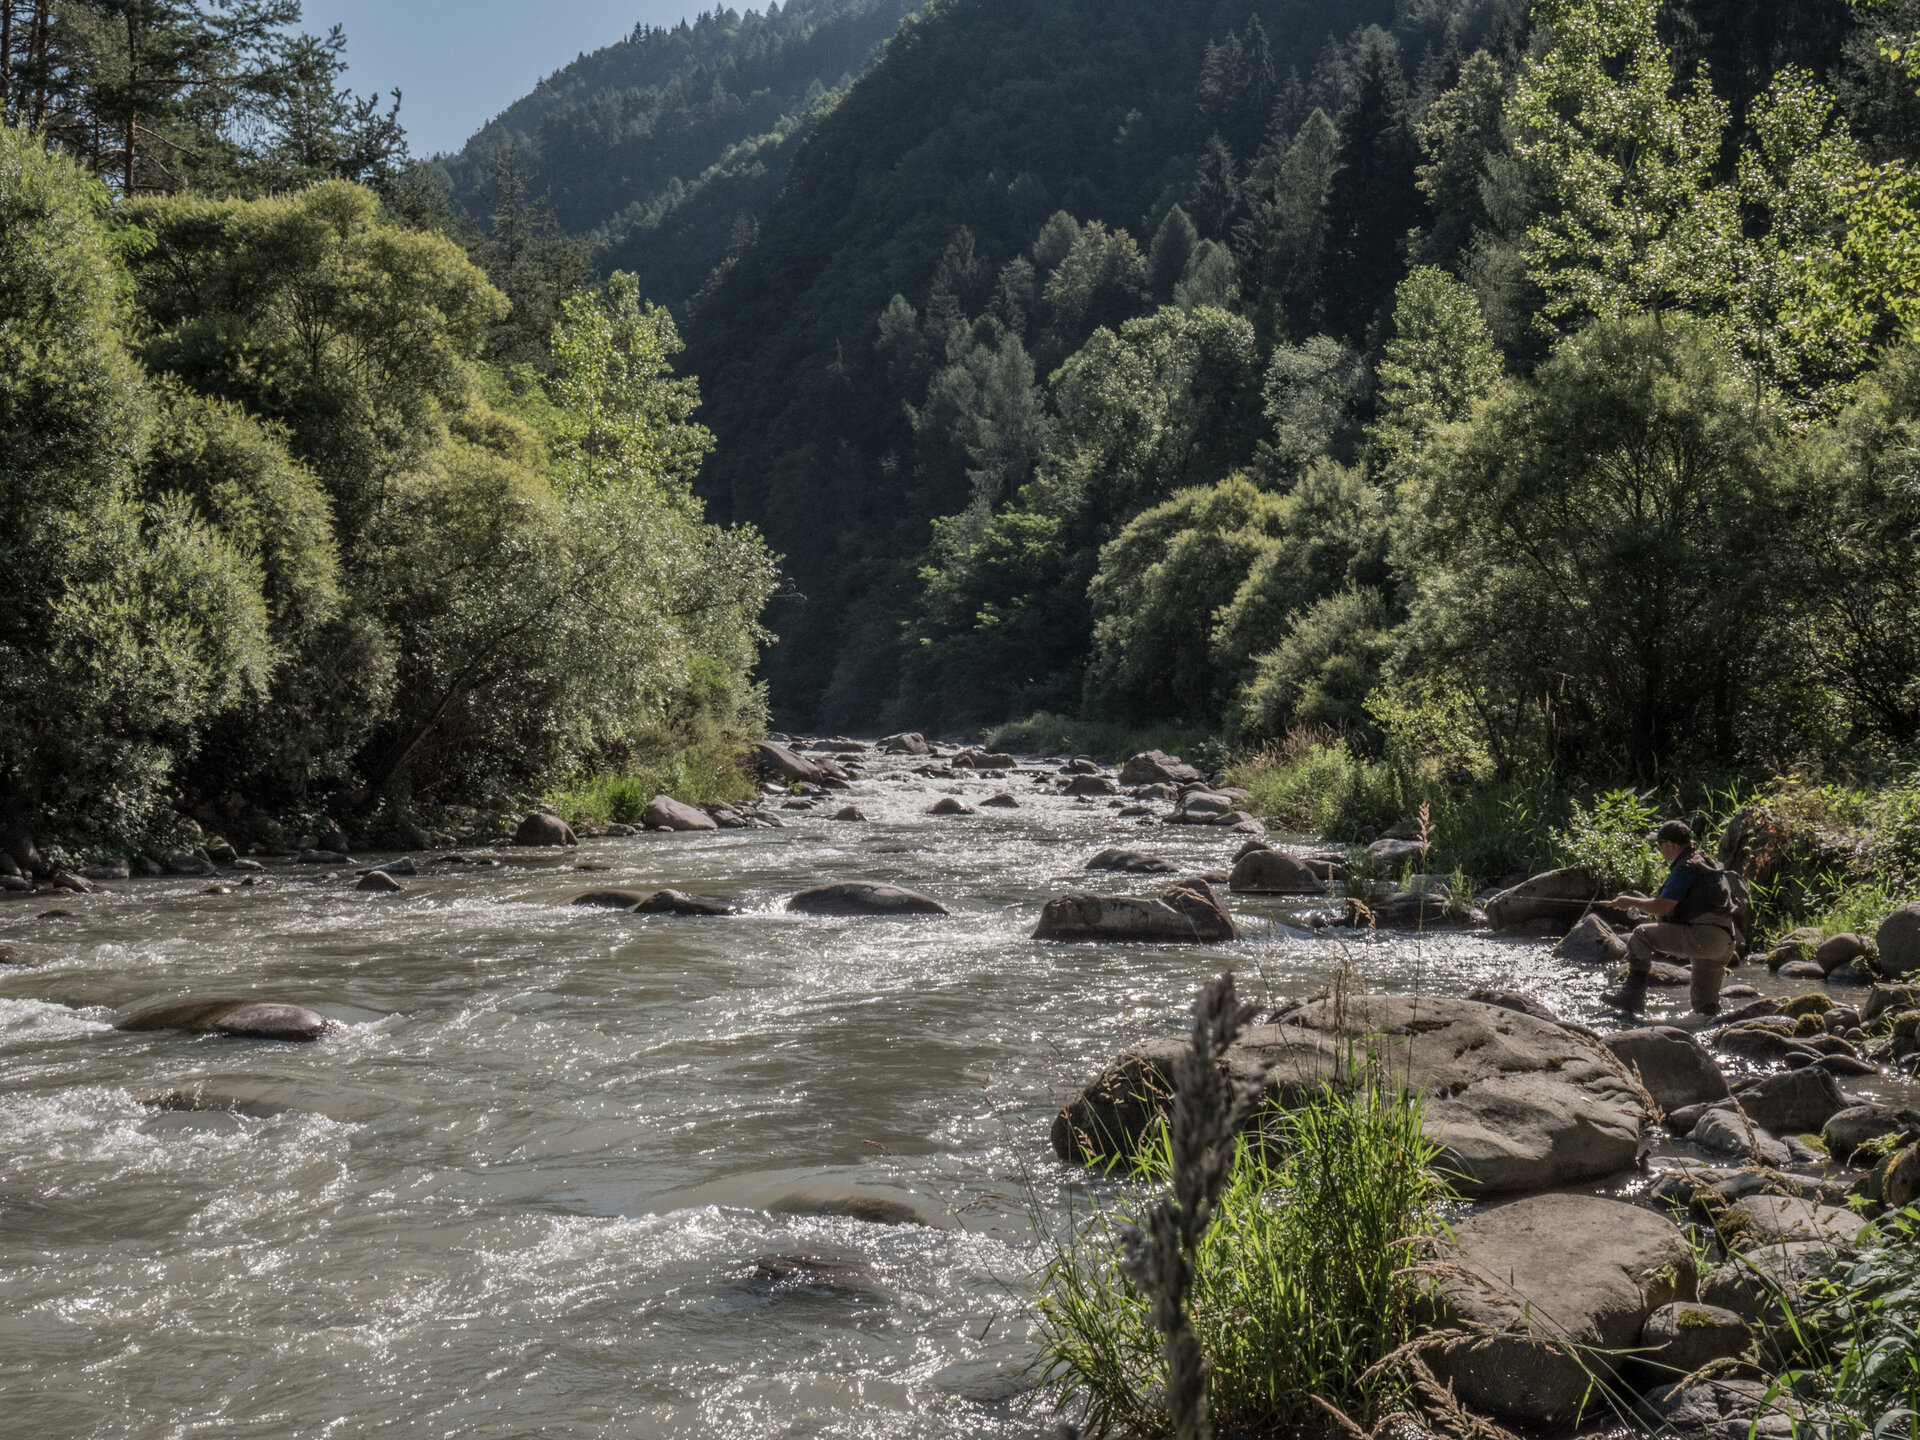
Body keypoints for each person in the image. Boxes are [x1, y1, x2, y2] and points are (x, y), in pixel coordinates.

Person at [1599, 820, 1738, 1017]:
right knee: (1705, 1007)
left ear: (1671, 844)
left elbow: (1663, 907)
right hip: (1724, 941)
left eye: (1660, 844)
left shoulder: (1685, 868)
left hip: (1702, 938)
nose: (1659, 849)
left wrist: (1629, 901)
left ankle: (1631, 997)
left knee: (1640, 935)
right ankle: (1714, 1034)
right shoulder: (1705, 862)